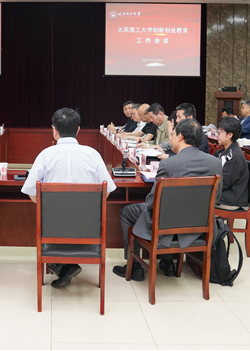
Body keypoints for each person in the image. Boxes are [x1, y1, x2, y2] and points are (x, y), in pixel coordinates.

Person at [114, 118, 223, 280]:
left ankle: (135, 266)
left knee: (127, 211)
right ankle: (168, 262)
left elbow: (153, 203)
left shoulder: (168, 164)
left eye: (172, 134)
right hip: (200, 225)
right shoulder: (215, 163)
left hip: (167, 224)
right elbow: (216, 198)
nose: (170, 138)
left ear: (180, 137)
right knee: (169, 211)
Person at [22, 107, 116, 288]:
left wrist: (47, 208)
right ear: (78, 130)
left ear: (54, 130)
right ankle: (64, 265)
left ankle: (61, 264)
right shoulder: (93, 154)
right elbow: (107, 191)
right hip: (88, 229)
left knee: (47, 218)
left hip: (52, 229)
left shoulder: (45, 155)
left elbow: (31, 192)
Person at [214, 117, 250, 210]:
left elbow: (224, 183)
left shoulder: (233, 156)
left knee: (198, 196)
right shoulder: (224, 150)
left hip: (231, 198)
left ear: (230, 135)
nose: (217, 135)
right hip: (224, 193)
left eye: (219, 133)